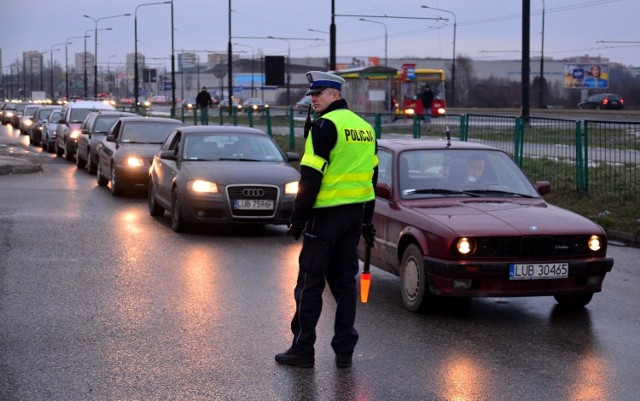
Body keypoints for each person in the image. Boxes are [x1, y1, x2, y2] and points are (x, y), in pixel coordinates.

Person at [275, 71, 378, 369]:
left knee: (309, 284)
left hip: (324, 216)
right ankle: (344, 351)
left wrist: (298, 219)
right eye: (311, 94)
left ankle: (302, 350)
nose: (313, 99)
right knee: (345, 286)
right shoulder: (364, 128)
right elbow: (371, 177)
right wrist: (367, 220)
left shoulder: (324, 126)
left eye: (318, 93)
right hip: (353, 216)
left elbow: (310, 177)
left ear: (335, 94)